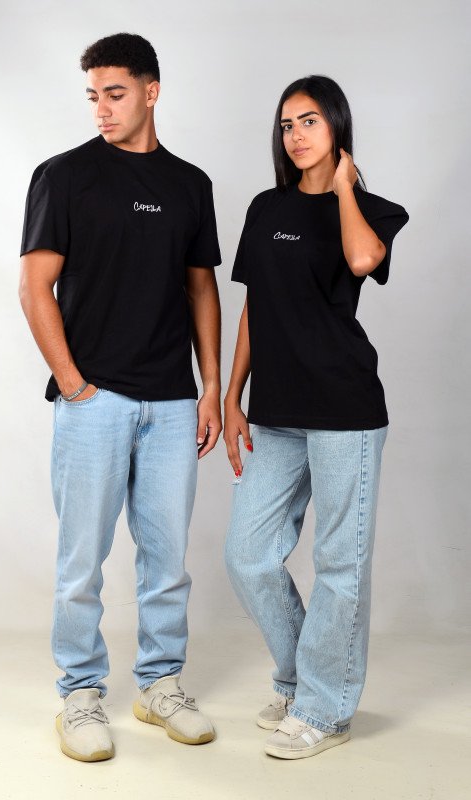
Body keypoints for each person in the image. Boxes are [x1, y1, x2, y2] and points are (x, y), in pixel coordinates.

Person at [19, 33, 222, 762]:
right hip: (94, 401)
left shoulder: (190, 184)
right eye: (93, 95)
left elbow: (201, 289)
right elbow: (34, 286)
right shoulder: (64, 175)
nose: (102, 108)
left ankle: (160, 684)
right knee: (83, 561)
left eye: (115, 93)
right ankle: (79, 693)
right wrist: (74, 384)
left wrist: (208, 389)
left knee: (167, 561)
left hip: (171, 402)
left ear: (151, 91)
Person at [223, 75, 409, 760]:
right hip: (275, 413)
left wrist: (343, 190)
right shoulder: (265, 206)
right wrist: (232, 397)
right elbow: (255, 306)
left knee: (339, 563)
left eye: (309, 121)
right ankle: (305, 682)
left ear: (336, 127)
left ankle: (324, 713)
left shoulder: (371, 211)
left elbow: (362, 258)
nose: (295, 135)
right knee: (247, 554)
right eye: (286, 125)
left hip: (343, 410)